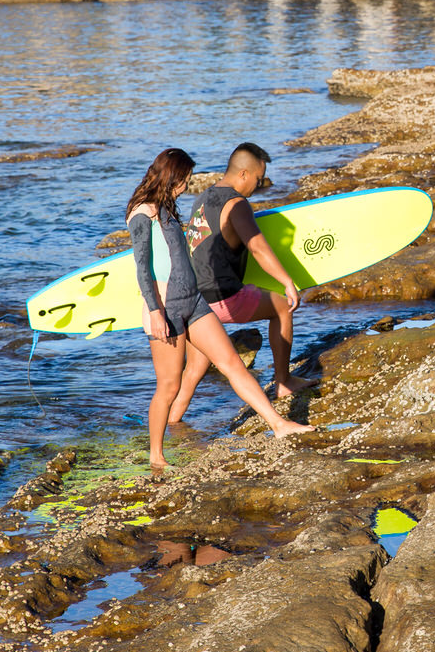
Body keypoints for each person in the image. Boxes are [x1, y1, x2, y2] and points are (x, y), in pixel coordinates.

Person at [125, 147, 311, 468]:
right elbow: (143, 268)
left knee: (232, 364)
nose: (185, 187)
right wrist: (154, 312)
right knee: (168, 386)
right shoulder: (143, 214)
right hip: (166, 308)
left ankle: (279, 425)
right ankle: (156, 456)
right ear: (169, 176)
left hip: (195, 301)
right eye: (182, 180)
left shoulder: (167, 208)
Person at [168, 142, 308, 423]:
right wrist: (287, 281)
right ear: (243, 173)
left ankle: (172, 422)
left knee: (195, 368)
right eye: (258, 179)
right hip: (224, 297)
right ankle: (283, 382)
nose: (258, 186)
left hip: (194, 300)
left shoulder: (202, 199)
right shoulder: (237, 204)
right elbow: (257, 247)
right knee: (282, 307)